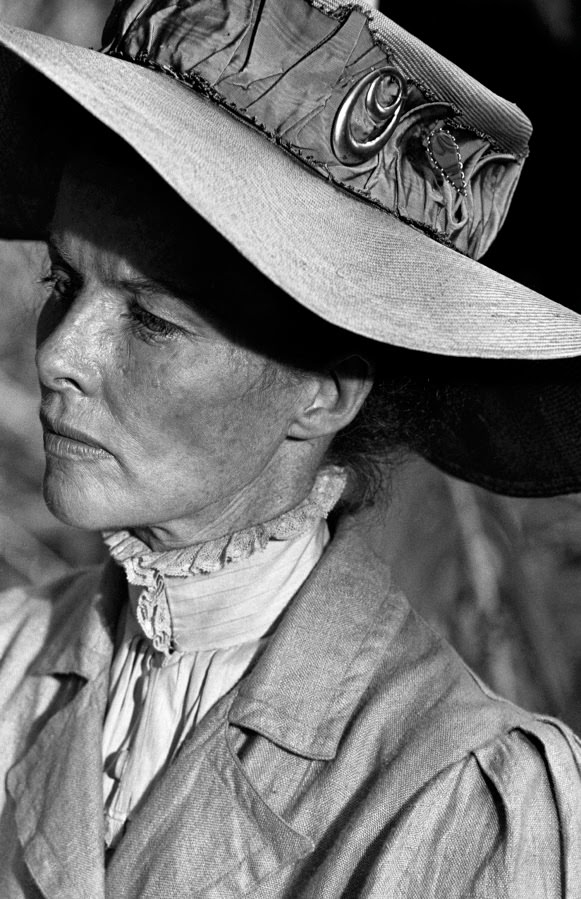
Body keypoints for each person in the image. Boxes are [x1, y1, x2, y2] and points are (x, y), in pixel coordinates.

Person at [1, 1, 581, 896]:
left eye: (152, 320)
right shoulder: (10, 661)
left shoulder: (450, 794)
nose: (58, 354)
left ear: (326, 391)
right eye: (62, 281)